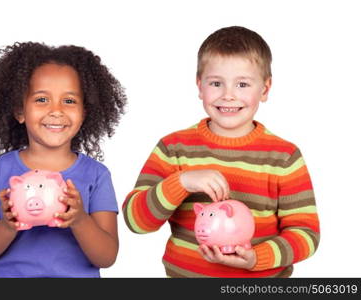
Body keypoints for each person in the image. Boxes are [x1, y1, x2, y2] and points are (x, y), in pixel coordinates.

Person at [122, 26, 319, 277]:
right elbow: (135, 221)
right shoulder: (174, 148)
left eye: (242, 84)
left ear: (265, 90)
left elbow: (306, 234)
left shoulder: (284, 156)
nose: (228, 95)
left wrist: (256, 258)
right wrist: (181, 182)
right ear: (199, 86)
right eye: (216, 83)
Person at [0, 42, 126, 277]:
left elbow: (107, 256)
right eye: (42, 99)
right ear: (20, 111)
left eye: (69, 101)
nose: (56, 110)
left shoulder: (96, 175)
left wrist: (79, 219)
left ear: (84, 113)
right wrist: (8, 225)